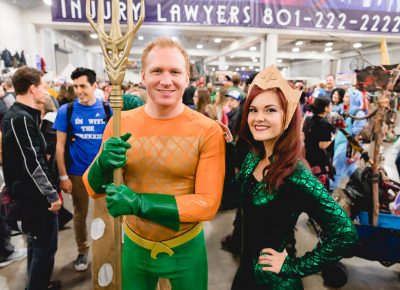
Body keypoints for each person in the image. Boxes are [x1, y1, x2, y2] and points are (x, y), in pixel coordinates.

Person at [82, 37, 225, 290]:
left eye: (175, 72)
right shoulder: (118, 124)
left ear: (187, 77)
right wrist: (102, 165)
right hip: (135, 247)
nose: (166, 80)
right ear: (143, 75)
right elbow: (93, 189)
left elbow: (207, 205)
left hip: (187, 249)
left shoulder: (208, 131)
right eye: (157, 71)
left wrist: (138, 203)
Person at [230, 65, 358, 290]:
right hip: (245, 274)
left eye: (270, 110)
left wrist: (294, 267)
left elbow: (345, 234)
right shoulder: (254, 156)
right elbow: (237, 195)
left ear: (287, 115)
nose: (258, 118)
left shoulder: (296, 175)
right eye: (253, 109)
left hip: (275, 282)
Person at [2, 66, 62, 290]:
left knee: (37, 244)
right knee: (44, 248)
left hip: (32, 196)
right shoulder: (20, 119)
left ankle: (37, 284)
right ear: (33, 88)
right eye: (44, 87)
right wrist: (51, 194)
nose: (47, 92)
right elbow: (32, 162)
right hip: (35, 199)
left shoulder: (25, 117)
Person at [53, 67, 111, 272]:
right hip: (77, 173)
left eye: (83, 86)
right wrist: (63, 176)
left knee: (106, 212)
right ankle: (82, 250)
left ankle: (106, 250)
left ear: (94, 86)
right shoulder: (66, 111)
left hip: (102, 172)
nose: (79, 91)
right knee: (80, 214)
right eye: (75, 86)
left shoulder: (106, 109)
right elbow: (59, 146)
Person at [303, 97, 335, 189]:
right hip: (319, 160)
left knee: (310, 185)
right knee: (320, 188)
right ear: (325, 108)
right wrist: (333, 136)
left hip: (308, 156)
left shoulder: (308, 119)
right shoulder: (325, 124)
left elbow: (303, 136)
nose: (331, 106)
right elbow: (322, 145)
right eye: (330, 105)